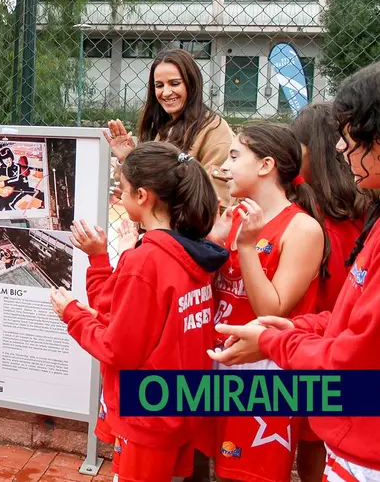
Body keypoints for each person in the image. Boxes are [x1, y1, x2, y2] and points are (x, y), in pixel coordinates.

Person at [210, 61, 380, 481]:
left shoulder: (303, 226)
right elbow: (350, 319)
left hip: (292, 375)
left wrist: (275, 340)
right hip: (256, 354)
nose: (342, 149)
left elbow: (342, 344)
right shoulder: (239, 216)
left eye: (350, 136)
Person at [51, 142, 227, 482]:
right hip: (182, 406)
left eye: (125, 190)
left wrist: (72, 314)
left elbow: (118, 348)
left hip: (149, 412)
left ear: (144, 196)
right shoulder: (193, 252)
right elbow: (119, 308)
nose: (121, 197)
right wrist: (101, 259)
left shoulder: (146, 260)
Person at [208, 122, 327, 482]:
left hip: (265, 369)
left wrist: (246, 246)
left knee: (249, 475)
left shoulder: (302, 228)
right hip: (220, 357)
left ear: (265, 165)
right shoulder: (233, 218)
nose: (224, 167)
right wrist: (212, 241)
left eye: (234, 156)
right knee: (220, 468)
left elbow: (272, 310)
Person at [289, 102, 369, 482]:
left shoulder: (308, 215)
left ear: (311, 150)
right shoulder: (362, 204)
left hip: (321, 342)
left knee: (312, 433)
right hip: (343, 340)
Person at [105, 48, 233, 208]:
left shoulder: (214, 130)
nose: (166, 92)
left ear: (191, 83)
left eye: (175, 83)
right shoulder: (161, 129)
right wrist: (127, 159)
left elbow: (215, 201)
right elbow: (139, 191)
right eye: (159, 85)